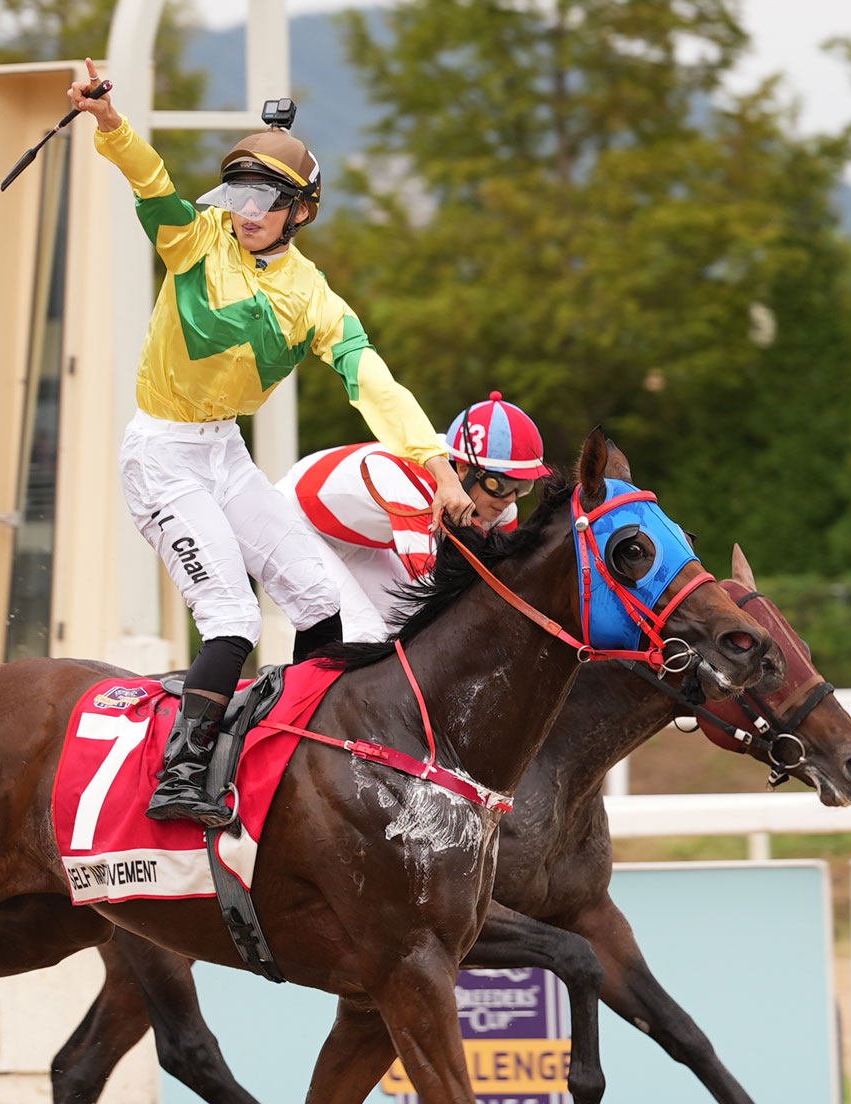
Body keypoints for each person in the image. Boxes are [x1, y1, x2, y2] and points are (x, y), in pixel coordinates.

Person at [66, 63, 474, 828]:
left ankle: (298, 743)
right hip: (161, 455)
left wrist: (436, 463)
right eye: (238, 196)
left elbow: (372, 380)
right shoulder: (196, 239)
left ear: (301, 212)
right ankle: (181, 776)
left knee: (323, 603)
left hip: (223, 453)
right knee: (233, 619)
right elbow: (153, 183)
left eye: (265, 201)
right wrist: (109, 122)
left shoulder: (312, 296)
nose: (246, 212)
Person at [281, 392, 552, 640]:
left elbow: (506, 580)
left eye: (522, 487)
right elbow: (431, 590)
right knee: (366, 633)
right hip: (292, 521)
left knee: (402, 630)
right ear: (462, 470)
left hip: (357, 540)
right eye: (500, 485)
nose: (508, 500)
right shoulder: (409, 488)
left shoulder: (501, 503)